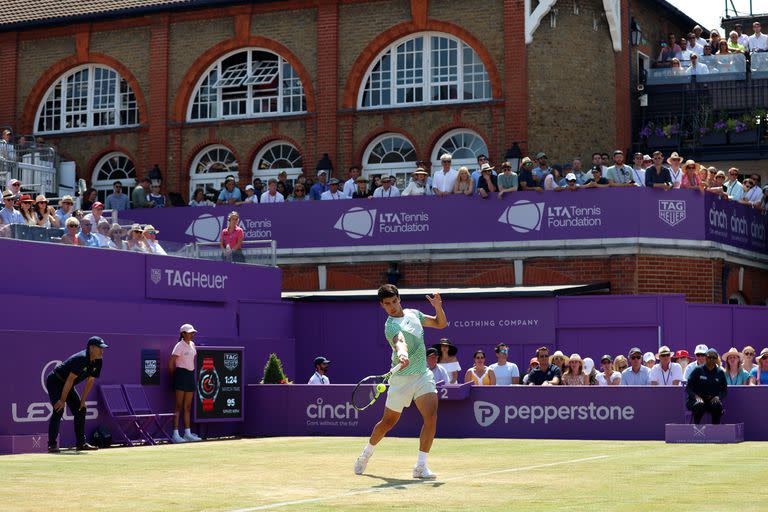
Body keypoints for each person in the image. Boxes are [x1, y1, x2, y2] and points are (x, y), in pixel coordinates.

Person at [354, 284, 446, 479]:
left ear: (399, 299)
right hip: (401, 380)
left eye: (394, 301)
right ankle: (366, 453)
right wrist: (402, 354)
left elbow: (440, 324)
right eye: (387, 304)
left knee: (431, 415)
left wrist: (438, 306)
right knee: (388, 422)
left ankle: (421, 466)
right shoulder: (391, 326)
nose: (392, 306)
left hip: (422, 374)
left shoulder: (414, 314)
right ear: (382, 305)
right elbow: (399, 342)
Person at [45, 336, 108, 452]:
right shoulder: (82, 359)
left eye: (103, 348)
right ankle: (52, 445)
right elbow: (69, 379)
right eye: (100, 348)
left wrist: (83, 401)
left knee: (81, 409)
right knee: (59, 409)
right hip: (55, 381)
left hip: (68, 384)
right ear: (91, 348)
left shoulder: (99, 360)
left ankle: (81, 443)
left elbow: (90, 380)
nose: (102, 350)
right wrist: (62, 400)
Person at [169, 324, 202, 443]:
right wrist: (176, 376)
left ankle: (187, 433)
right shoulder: (179, 346)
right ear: (183, 333)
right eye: (189, 332)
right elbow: (171, 362)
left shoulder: (192, 345)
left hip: (190, 375)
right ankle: (175, 434)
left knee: (187, 407)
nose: (192, 334)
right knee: (178, 406)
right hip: (181, 375)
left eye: (193, 332)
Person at [686, 349, 727, 424]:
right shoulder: (698, 370)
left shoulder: (720, 372)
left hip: (712, 400)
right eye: (709, 357)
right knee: (699, 405)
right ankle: (696, 429)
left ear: (716, 359)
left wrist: (718, 397)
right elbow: (688, 388)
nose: (711, 359)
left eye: (714, 357)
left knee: (717, 405)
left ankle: (716, 429)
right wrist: (696, 397)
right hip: (697, 399)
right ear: (705, 358)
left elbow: (724, 391)